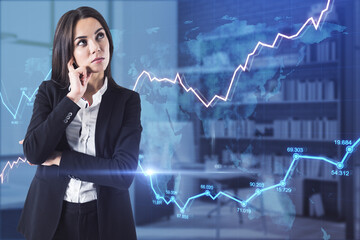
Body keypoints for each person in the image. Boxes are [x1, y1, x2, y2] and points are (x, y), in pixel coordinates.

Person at [17, 6, 142, 240]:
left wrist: (59, 158)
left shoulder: (127, 101)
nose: (96, 47)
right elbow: (34, 153)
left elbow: (123, 174)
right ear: (69, 54)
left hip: (105, 220)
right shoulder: (50, 92)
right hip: (51, 219)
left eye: (100, 35)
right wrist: (72, 98)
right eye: (82, 42)